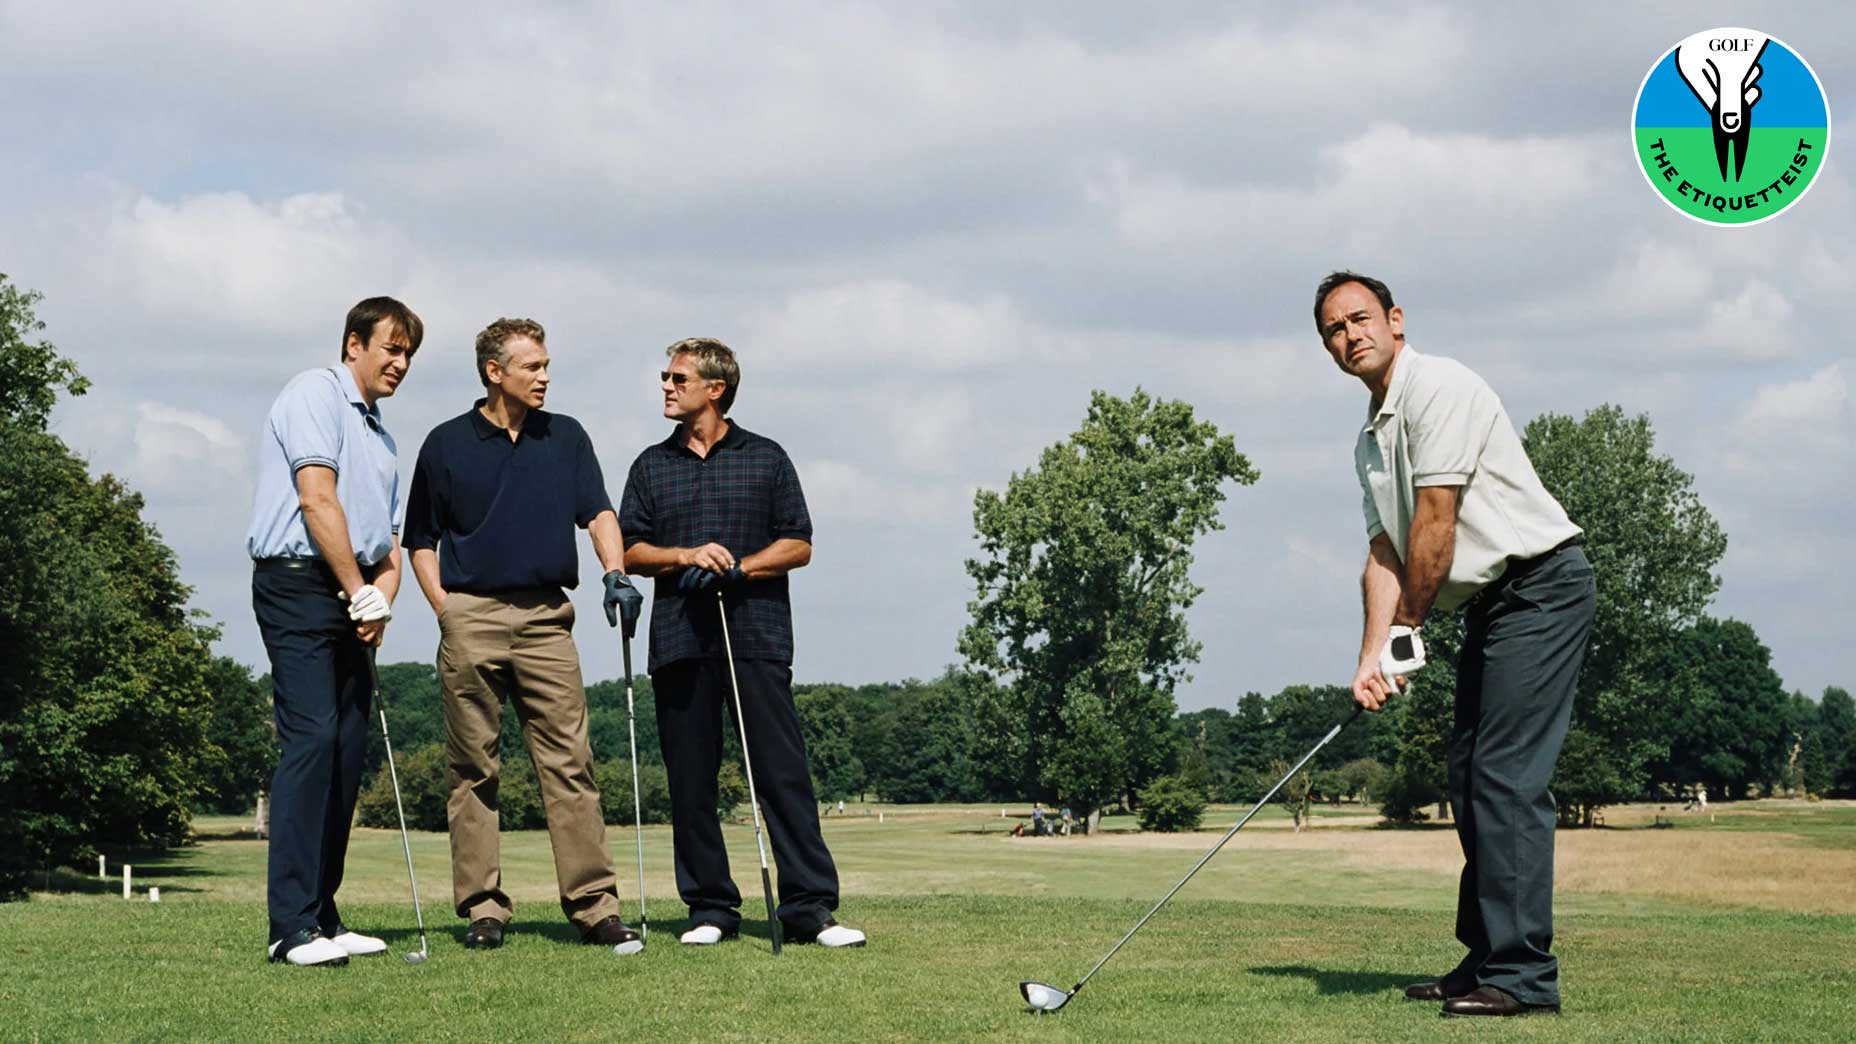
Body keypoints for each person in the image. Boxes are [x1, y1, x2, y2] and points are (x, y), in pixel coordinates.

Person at [1315, 272, 1595, 1017]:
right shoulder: (1369, 444)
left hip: (1541, 587)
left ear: (1395, 320)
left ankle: (1524, 978)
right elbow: (1386, 554)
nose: (1351, 336)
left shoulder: (1441, 387)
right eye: (1335, 331)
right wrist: (1371, 656)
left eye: (1361, 319)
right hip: (1491, 607)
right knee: (1471, 775)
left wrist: (1407, 629)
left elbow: (1435, 523)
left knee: (1506, 777)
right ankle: (1487, 958)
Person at [401, 317, 645, 953]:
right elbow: (420, 539)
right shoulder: (445, 443)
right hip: (470, 615)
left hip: (547, 620)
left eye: (545, 365)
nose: (545, 376)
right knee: (472, 769)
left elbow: (597, 512)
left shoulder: (565, 437)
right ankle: (484, 909)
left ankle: (596, 908)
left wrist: (615, 571)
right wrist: (443, 608)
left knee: (571, 764)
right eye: (532, 366)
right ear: (494, 371)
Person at [619, 337, 865, 948]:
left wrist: (742, 567)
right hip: (679, 639)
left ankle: (809, 908)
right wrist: (683, 556)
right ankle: (711, 908)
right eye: (666, 377)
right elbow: (628, 547)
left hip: (755, 635)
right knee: (691, 779)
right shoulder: (651, 465)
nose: (667, 387)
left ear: (715, 388)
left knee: (780, 772)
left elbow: (799, 543)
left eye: (678, 378)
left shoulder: (767, 457)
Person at [245, 296, 423, 967]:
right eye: (391, 348)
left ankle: (323, 913)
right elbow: (316, 498)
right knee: (313, 740)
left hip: (351, 594)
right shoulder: (313, 393)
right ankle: (288, 927)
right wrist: (359, 594)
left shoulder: (381, 436)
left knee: (348, 750)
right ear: (355, 344)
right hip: (298, 584)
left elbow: (392, 544)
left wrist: (380, 598)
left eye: (408, 354)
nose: (400, 363)